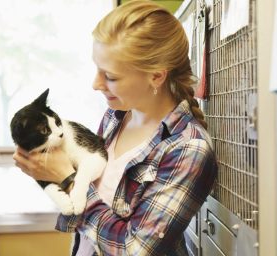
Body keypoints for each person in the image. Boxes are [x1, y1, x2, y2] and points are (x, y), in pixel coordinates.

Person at [13, 0, 218, 255]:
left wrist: (67, 180)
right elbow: (92, 202)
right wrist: (44, 165)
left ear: (156, 75)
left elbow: (133, 249)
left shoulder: (188, 148)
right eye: (97, 69)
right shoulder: (116, 116)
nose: (96, 84)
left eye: (110, 76)